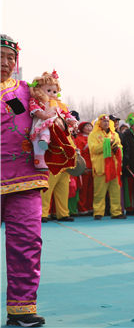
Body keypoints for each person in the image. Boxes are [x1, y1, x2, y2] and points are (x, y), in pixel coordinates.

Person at [1, 34, 48, 327]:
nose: (5, 63)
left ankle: (22, 310)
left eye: (9, 58)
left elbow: (46, 118)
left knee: (27, 243)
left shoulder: (25, 92)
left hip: (24, 179)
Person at [88, 114, 125, 220]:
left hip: (114, 166)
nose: (106, 123)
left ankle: (116, 212)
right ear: (99, 123)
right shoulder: (93, 135)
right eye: (103, 121)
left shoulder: (115, 134)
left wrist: (116, 148)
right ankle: (98, 212)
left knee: (115, 191)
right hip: (101, 167)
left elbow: (120, 147)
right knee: (99, 192)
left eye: (108, 121)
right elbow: (93, 149)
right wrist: (107, 143)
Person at [120, 112, 134, 215]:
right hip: (130, 164)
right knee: (129, 186)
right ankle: (129, 207)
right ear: (132, 126)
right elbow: (125, 149)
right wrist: (126, 162)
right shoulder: (126, 134)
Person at [74, 121, 94, 215]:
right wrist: (82, 167)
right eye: (87, 126)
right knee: (83, 189)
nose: (89, 128)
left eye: (90, 126)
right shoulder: (79, 139)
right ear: (82, 128)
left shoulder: (94, 138)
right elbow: (79, 154)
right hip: (85, 167)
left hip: (94, 167)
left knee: (91, 189)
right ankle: (82, 208)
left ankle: (90, 207)